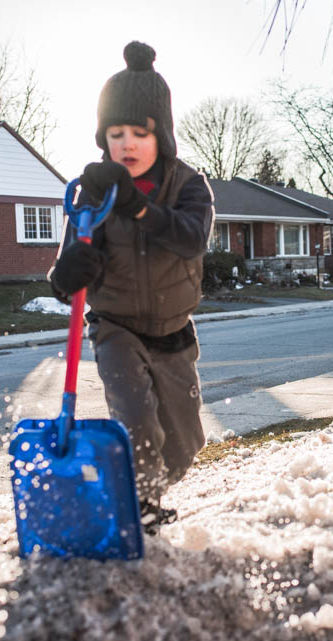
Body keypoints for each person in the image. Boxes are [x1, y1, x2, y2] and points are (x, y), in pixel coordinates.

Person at [48, 41, 214, 532]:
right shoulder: (93, 190)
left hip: (174, 331)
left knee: (184, 446)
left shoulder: (187, 185)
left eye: (139, 132)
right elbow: (68, 268)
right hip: (115, 327)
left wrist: (139, 208)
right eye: (115, 133)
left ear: (160, 135)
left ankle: (154, 487)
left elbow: (190, 239)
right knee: (137, 420)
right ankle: (139, 506)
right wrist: (68, 272)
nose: (126, 143)